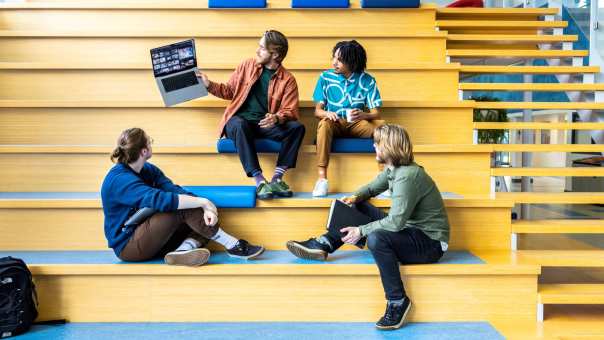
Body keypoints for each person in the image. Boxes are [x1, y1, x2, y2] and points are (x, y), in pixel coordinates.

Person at [286, 124, 450, 330]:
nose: (374, 146)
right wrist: (355, 197)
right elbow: (372, 187)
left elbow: (395, 222)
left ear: (389, 147)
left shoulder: (407, 176)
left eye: (377, 143)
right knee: (357, 203)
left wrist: (361, 231)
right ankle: (326, 243)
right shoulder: (394, 169)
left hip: (429, 244)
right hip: (408, 231)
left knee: (376, 238)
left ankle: (398, 301)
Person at [101, 128, 265, 266]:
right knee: (181, 208)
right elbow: (159, 199)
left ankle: (183, 251)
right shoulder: (119, 180)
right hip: (129, 246)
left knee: (203, 217)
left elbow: (173, 189)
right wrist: (204, 202)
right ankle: (232, 245)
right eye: (149, 141)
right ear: (144, 151)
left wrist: (205, 207)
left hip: (153, 239)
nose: (151, 144)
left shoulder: (147, 169)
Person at [197, 30, 305, 200]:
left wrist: (276, 118)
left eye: (261, 48)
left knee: (297, 128)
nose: (257, 51)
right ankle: (259, 180)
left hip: (264, 126)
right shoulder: (247, 65)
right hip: (239, 123)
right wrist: (209, 85)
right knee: (239, 124)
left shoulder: (288, 79)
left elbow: (290, 110)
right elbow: (229, 91)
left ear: (275, 54)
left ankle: (276, 179)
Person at [311, 40, 385, 197]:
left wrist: (364, 115)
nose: (334, 63)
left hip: (356, 123)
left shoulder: (367, 80)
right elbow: (317, 111)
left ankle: (384, 178)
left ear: (352, 62)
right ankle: (322, 179)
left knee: (382, 128)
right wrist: (327, 114)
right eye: (334, 58)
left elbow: (376, 113)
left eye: (340, 60)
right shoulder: (325, 77)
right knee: (324, 124)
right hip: (334, 123)